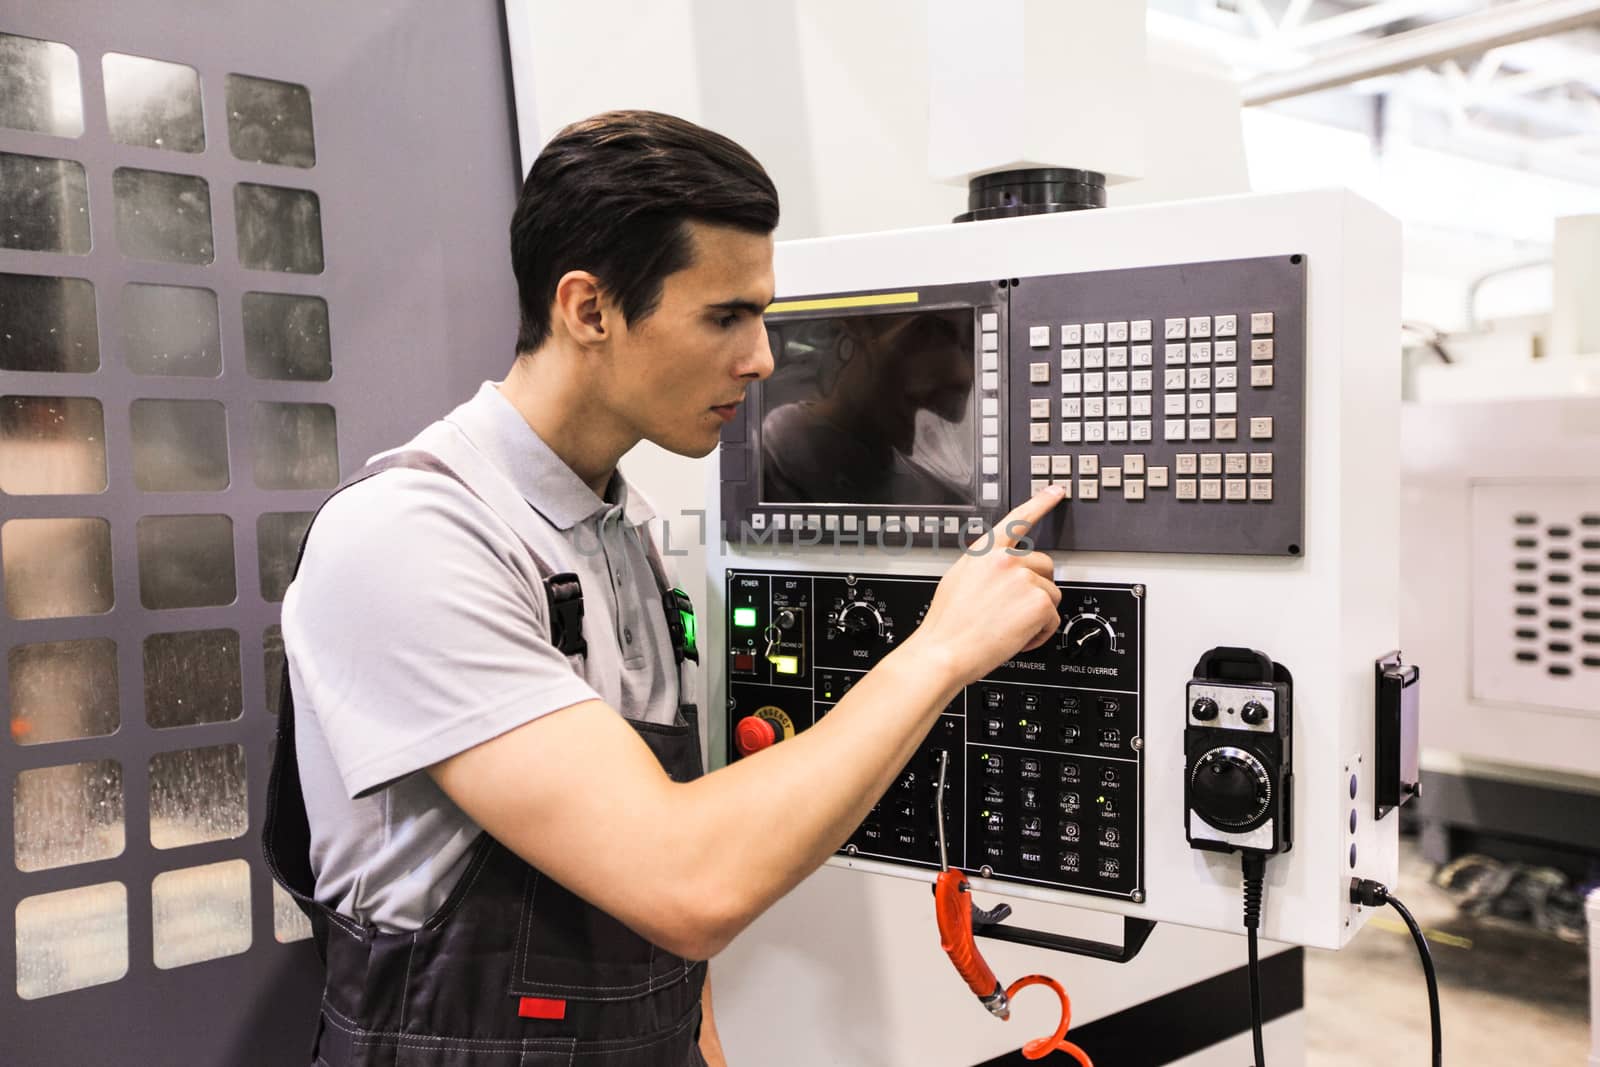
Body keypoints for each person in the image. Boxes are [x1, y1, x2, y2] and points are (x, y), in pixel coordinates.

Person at [267, 110, 1066, 1066]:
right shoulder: (412, 538)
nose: (763, 357)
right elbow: (688, 882)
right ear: (590, 310)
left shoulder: (629, 536)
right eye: (726, 315)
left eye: (762, 314)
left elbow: (664, 889)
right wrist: (942, 649)